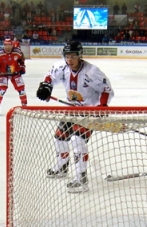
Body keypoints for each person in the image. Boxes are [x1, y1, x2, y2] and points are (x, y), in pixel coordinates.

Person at [36, 40, 114, 193]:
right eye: (67, 56)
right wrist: (46, 86)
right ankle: (62, 166)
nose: (69, 60)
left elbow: (106, 89)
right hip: (72, 110)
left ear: (80, 56)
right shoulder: (62, 67)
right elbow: (50, 76)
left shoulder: (91, 72)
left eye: (73, 56)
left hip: (89, 112)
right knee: (59, 137)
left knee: (77, 140)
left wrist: (102, 107)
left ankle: (81, 177)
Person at [0, 38, 27, 114]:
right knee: (1, 90)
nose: (7, 47)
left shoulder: (18, 52)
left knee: (21, 89)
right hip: (3, 73)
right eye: (6, 45)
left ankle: (24, 105)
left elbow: (22, 60)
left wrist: (22, 68)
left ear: (12, 45)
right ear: (3, 45)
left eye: (9, 45)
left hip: (15, 73)